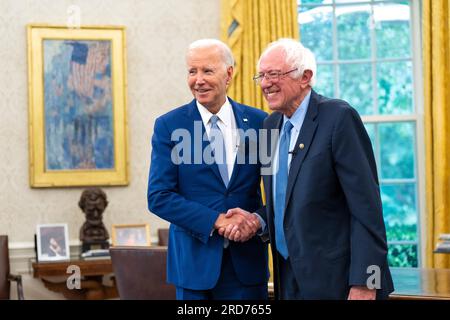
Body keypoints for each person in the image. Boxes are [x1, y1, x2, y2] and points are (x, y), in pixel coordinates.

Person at [226, 38, 394, 300]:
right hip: (287, 278)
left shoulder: (339, 117)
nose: (265, 83)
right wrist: (258, 220)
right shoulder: (270, 127)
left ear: (305, 77)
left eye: (273, 74)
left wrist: (367, 282)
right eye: (261, 75)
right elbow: (285, 202)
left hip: (338, 283)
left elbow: (367, 210)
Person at [147, 39, 269, 300]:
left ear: (228, 74)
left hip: (247, 267)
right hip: (193, 269)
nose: (198, 80)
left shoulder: (261, 123)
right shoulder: (169, 126)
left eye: (207, 71)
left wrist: (256, 221)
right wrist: (216, 220)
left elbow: (282, 194)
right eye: (192, 71)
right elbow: (159, 197)